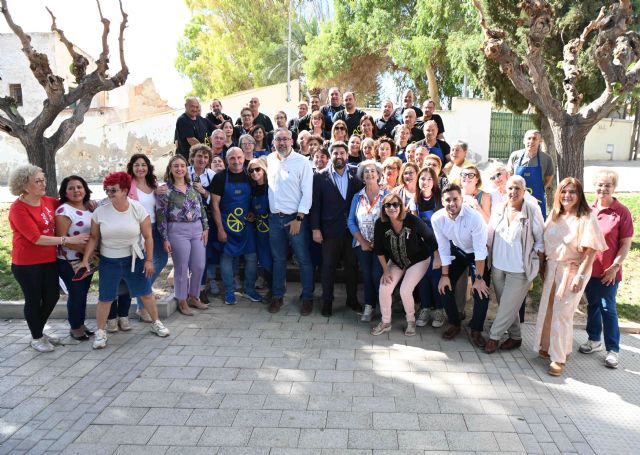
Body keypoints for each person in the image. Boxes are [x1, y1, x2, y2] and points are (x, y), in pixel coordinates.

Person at [81, 172, 169, 349]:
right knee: (105, 298)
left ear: (125, 190)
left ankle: (156, 322)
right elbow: (93, 237)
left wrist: (149, 260)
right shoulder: (100, 212)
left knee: (146, 293)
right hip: (109, 261)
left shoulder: (137, 209)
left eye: (113, 189)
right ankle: (100, 332)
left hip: (134, 259)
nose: (109, 193)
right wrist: (85, 259)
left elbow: (148, 237)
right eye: (107, 189)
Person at [9, 166, 89, 352]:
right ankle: (37, 337)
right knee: (34, 299)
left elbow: (70, 202)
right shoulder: (18, 209)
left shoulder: (47, 201)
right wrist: (67, 240)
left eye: (43, 179)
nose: (43, 183)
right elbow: (36, 238)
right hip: (27, 264)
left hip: (48, 260)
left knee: (52, 297)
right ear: (25, 186)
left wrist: (88, 202)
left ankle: (38, 331)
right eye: (37, 181)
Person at [534, 177, 607, 376]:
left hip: (573, 269)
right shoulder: (556, 214)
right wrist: (542, 267)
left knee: (563, 314)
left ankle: (558, 358)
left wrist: (580, 276)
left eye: (572, 191)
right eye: (564, 191)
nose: (567, 195)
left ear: (579, 194)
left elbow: (591, 251)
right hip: (552, 268)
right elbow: (544, 239)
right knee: (549, 308)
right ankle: (551, 346)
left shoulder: (585, 216)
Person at [485, 175, 545, 354]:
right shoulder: (498, 209)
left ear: (524, 191)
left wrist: (539, 267)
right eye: (510, 188)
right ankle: (516, 337)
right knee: (508, 305)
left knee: (506, 306)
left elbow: (541, 241)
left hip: (520, 269)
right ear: (505, 190)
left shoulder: (532, 211)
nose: (513, 192)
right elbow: (489, 235)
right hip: (498, 266)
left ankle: (494, 337)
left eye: (518, 188)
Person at [580, 169, 633, 369]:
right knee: (592, 305)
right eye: (600, 185)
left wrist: (615, 266)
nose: (603, 189)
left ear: (614, 188)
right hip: (587, 270)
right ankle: (594, 340)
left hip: (608, 271)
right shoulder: (588, 209)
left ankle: (613, 349)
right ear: (595, 187)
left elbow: (625, 244)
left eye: (607, 185)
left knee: (606, 308)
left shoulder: (621, 211)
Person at [431, 183, 491, 347]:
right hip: (457, 251)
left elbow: (480, 250)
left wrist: (478, 278)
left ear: (462, 199)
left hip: (476, 254)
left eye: (455, 199)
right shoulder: (437, 218)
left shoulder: (474, 217)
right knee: (444, 286)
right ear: (442, 202)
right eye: (448, 200)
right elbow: (443, 248)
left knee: (481, 291)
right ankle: (454, 323)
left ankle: (476, 330)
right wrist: (444, 276)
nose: (452, 203)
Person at [371, 193, 437, 336]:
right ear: (384, 209)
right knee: (384, 287)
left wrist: (437, 258)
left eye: (395, 204)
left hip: (418, 260)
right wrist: (385, 270)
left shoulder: (412, 220)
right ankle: (386, 322)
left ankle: (411, 321)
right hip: (396, 261)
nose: (392, 208)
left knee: (405, 290)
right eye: (388, 205)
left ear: (401, 206)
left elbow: (431, 238)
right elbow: (379, 250)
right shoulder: (380, 224)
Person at [310, 141, 363, 316]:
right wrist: (315, 228)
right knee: (328, 267)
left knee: (352, 266)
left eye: (342, 153)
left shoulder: (356, 175)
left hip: (352, 231)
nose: (339, 156)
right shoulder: (319, 176)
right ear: (330, 156)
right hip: (329, 231)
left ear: (347, 155)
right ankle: (327, 301)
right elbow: (315, 205)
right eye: (335, 153)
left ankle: (352, 299)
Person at [266, 128, 315, 314]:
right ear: (274, 142)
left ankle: (308, 297)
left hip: (295, 219)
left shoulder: (302, 162)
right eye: (278, 139)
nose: (282, 143)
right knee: (278, 259)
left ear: (292, 141)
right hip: (274, 219)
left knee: (303, 259)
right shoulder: (269, 160)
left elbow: (307, 193)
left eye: (285, 139)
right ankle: (277, 296)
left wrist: (299, 218)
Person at [157, 155, 209, 316]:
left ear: (186, 168)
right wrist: (165, 238)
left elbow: (202, 208)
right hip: (177, 230)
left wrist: (205, 228)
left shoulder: (193, 188)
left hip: (197, 229)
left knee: (199, 265)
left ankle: (194, 296)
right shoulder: (166, 190)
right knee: (181, 267)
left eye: (182, 165)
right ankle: (182, 299)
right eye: (176, 166)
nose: (179, 169)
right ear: (170, 169)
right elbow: (161, 215)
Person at [211, 147, 261, 305]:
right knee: (226, 257)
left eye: (239, 157)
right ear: (227, 160)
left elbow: (256, 196)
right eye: (232, 158)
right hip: (227, 225)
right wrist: (220, 228)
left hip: (246, 226)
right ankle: (229, 291)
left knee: (251, 257)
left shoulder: (250, 175)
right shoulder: (219, 178)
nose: (237, 161)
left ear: (244, 158)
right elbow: (214, 205)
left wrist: (253, 211)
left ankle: (249, 289)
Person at [55, 175, 96, 341]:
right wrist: (87, 251)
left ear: (85, 188)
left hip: (88, 259)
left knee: (83, 293)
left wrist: (89, 254)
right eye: (71, 188)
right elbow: (62, 239)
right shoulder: (64, 211)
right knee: (76, 293)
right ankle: (75, 327)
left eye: (79, 187)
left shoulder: (89, 208)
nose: (76, 191)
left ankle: (80, 323)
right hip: (70, 261)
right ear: (65, 192)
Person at [348, 160, 388, 322]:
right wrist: (363, 242)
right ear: (362, 177)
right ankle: (369, 306)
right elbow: (350, 221)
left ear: (379, 175)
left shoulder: (387, 195)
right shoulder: (357, 197)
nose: (370, 174)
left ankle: (384, 307)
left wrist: (378, 242)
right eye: (366, 172)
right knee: (366, 275)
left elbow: (393, 219)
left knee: (377, 274)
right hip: (362, 245)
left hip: (382, 246)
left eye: (373, 171)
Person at [410, 167, 446, 329]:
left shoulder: (440, 200)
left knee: (436, 278)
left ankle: (439, 310)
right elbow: (415, 226)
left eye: (429, 179)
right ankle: (424, 308)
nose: (425, 182)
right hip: (421, 246)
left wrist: (437, 252)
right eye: (422, 178)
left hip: (439, 246)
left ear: (434, 181)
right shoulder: (414, 200)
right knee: (422, 279)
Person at [187, 146, 217, 303]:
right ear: (192, 157)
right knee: (185, 256)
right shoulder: (183, 171)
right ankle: (185, 290)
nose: (202, 160)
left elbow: (216, 199)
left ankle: (201, 289)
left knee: (201, 256)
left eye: (206, 157)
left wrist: (204, 192)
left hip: (204, 219)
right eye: (199, 156)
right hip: (184, 219)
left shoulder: (212, 175)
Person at [507, 130, 555, 218]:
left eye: (534, 139)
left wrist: (541, 188)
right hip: (517, 198)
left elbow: (549, 176)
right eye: (529, 138)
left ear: (539, 141)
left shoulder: (546, 158)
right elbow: (509, 176)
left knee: (538, 225)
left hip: (537, 199)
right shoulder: (515, 156)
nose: (531, 141)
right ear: (524, 140)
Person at [248, 157, 273, 298]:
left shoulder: (272, 187)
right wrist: (252, 213)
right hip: (259, 230)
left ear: (264, 169)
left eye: (258, 169)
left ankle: (276, 290)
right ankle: (271, 288)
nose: (255, 173)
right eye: (251, 170)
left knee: (274, 259)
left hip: (273, 229)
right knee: (264, 260)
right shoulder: (251, 189)